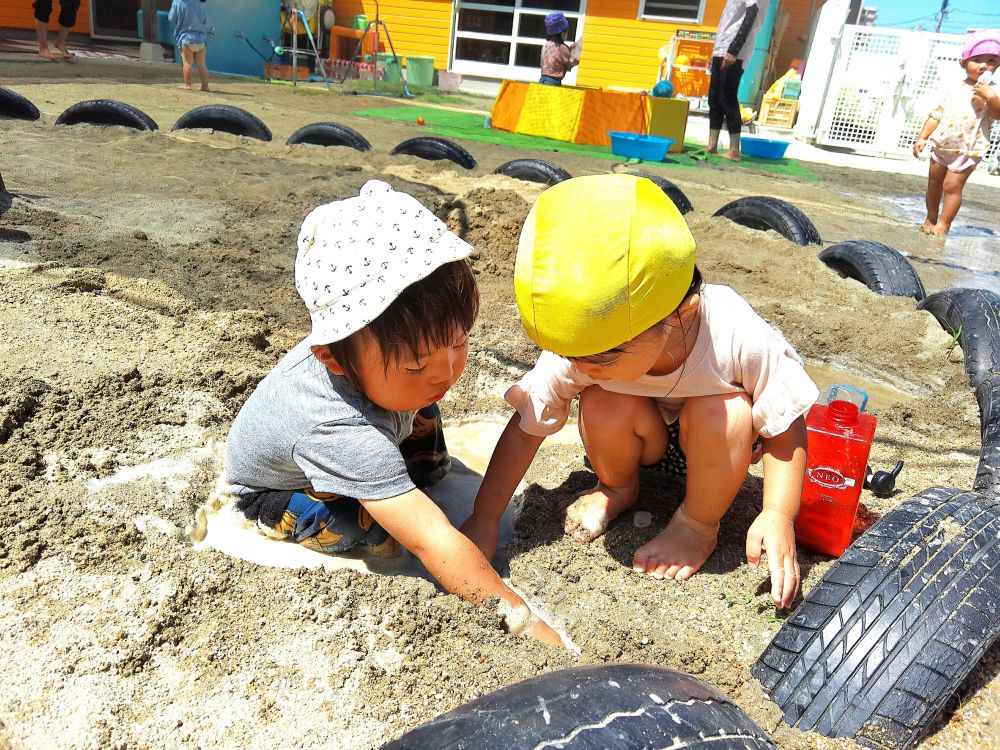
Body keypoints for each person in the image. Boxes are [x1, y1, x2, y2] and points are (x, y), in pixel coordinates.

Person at [222, 180, 563, 646]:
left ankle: (393, 464)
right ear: (332, 358)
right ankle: (361, 491)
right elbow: (431, 539)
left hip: (370, 418)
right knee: (376, 532)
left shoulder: (379, 354)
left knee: (423, 421)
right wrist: (524, 621)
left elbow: (423, 369)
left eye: (458, 341)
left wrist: (416, 377)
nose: (447, 372)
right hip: (274, 489)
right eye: (417, 363)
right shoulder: (336, 426)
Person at [460, 175, 817, 609]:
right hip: (636, 442)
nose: (582, 366)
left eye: (605, 355)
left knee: (726, 410)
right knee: (601, 397)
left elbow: (784, 423)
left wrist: (779, 514)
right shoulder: (583, 347)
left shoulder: (735, 333)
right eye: (571, 354)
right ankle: (617, 488)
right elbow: (526, 427)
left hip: (718, 455)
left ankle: (696, 524)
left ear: (679, 312)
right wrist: (484, 518)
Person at [912, 29, 1000, 236]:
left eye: (991, 60)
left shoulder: (994, 90)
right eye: (977, 59)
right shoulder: (952, 88)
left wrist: (991, 97)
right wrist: (922, 137)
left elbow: (997, 115)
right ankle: (931, 216)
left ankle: (944, 224)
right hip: (941, 144)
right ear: (963, 63)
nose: (984, 65)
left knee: (952, 187)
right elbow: (936, 115)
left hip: (968, 149)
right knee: (934, 184)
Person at [706, 0, 769, 161]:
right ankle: (711, 144)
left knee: (727, 97)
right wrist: (714, 52)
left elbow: (751, 13)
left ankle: (734, 149)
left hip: (735, 51)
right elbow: (728, 19)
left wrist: (734, 49)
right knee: (714, 97)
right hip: (722, 47)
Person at [168, 0, 211, 92]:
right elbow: (205, 20)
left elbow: (172, 18)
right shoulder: (200, 3)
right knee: (202, 64)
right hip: (200, 39)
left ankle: (187, 85)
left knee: (187, 63)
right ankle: (205, 86)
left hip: (186, 38)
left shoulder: (178, 2)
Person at [539, 12, 581, 86]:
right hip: (553, 82)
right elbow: (569, 63)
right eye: (566, 32)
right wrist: (577, 56)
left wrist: (568, 49)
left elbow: (555, 58)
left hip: (542, 79)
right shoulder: (562, 48)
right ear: (561, 33)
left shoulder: (547, 45)